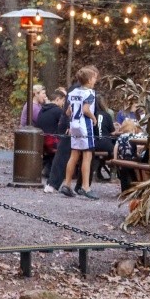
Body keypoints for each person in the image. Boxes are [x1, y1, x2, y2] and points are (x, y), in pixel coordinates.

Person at [60, 66, 99, 199]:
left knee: (74, 154)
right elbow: (86, 109)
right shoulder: (89, 93)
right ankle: (85, 186)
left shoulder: (72, 93)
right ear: (88, 80)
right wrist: (94, 118)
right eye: (94, 78)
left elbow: (68, 112)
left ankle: (67, 184)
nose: (95, 80)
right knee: (87, 156)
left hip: (74, 125)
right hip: (85, 125)